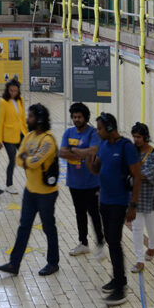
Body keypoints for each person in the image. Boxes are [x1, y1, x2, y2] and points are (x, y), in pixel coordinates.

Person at [0, 104, 60, 276]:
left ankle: (53, 262)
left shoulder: (48, 140)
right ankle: (14, 264)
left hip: (46, 194)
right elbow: (18, 158)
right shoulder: (29, 136)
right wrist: (27, 159)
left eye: (30, 117)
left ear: (39, 119)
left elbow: (35, 162)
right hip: (30, 191)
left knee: (48, 227)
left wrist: (27, 159)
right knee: (24, 227)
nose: (27, 119)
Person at [88, 113, 142, 306]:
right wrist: (89, 160)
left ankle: (120, 288)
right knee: (111, 241)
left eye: (100, 129)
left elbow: (137, 177)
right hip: (104, 201)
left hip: (119, 203)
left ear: (110, 128)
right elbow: (96, 169)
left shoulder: (126, 147)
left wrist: (133, 205)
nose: (98, 132)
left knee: (114, 241)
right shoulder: (103, 145)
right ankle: (119, 278)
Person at [58, 103, 104, 259]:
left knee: (94, 213)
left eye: (79, 117)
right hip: (74, 182)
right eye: (74, 117)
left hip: (91, 182)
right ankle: (83, 243)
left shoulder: (93, 133)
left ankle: (100, 243)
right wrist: (80, 152)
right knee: (80, 213)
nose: (76, 119)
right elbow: (62, 152)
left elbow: (93, 151)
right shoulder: (68, 132)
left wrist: (73, 151)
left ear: (86, 117)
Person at [130, 122, 154, 273]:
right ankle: (139, 260)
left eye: (139, 137)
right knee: (136, 228)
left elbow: (153, 173)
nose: (136, 140)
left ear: (146, 137)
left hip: (151, 198)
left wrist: (134, 173)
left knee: (152, 229)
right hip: (134, 197)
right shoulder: (131, 152)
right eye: (134, 137)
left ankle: (151, 247)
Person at [0, 78, 28, 194]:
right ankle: (9, 185)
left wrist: (27, 133)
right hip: (8, 136)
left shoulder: (20, 100)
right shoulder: (3, 102)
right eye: (11, 90)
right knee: (12, 160)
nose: (13, 93)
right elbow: (0, 121)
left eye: (15, 90)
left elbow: (22, 118)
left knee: (26, 158)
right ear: (7, 90)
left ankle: (32, 182)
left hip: (21, 134)